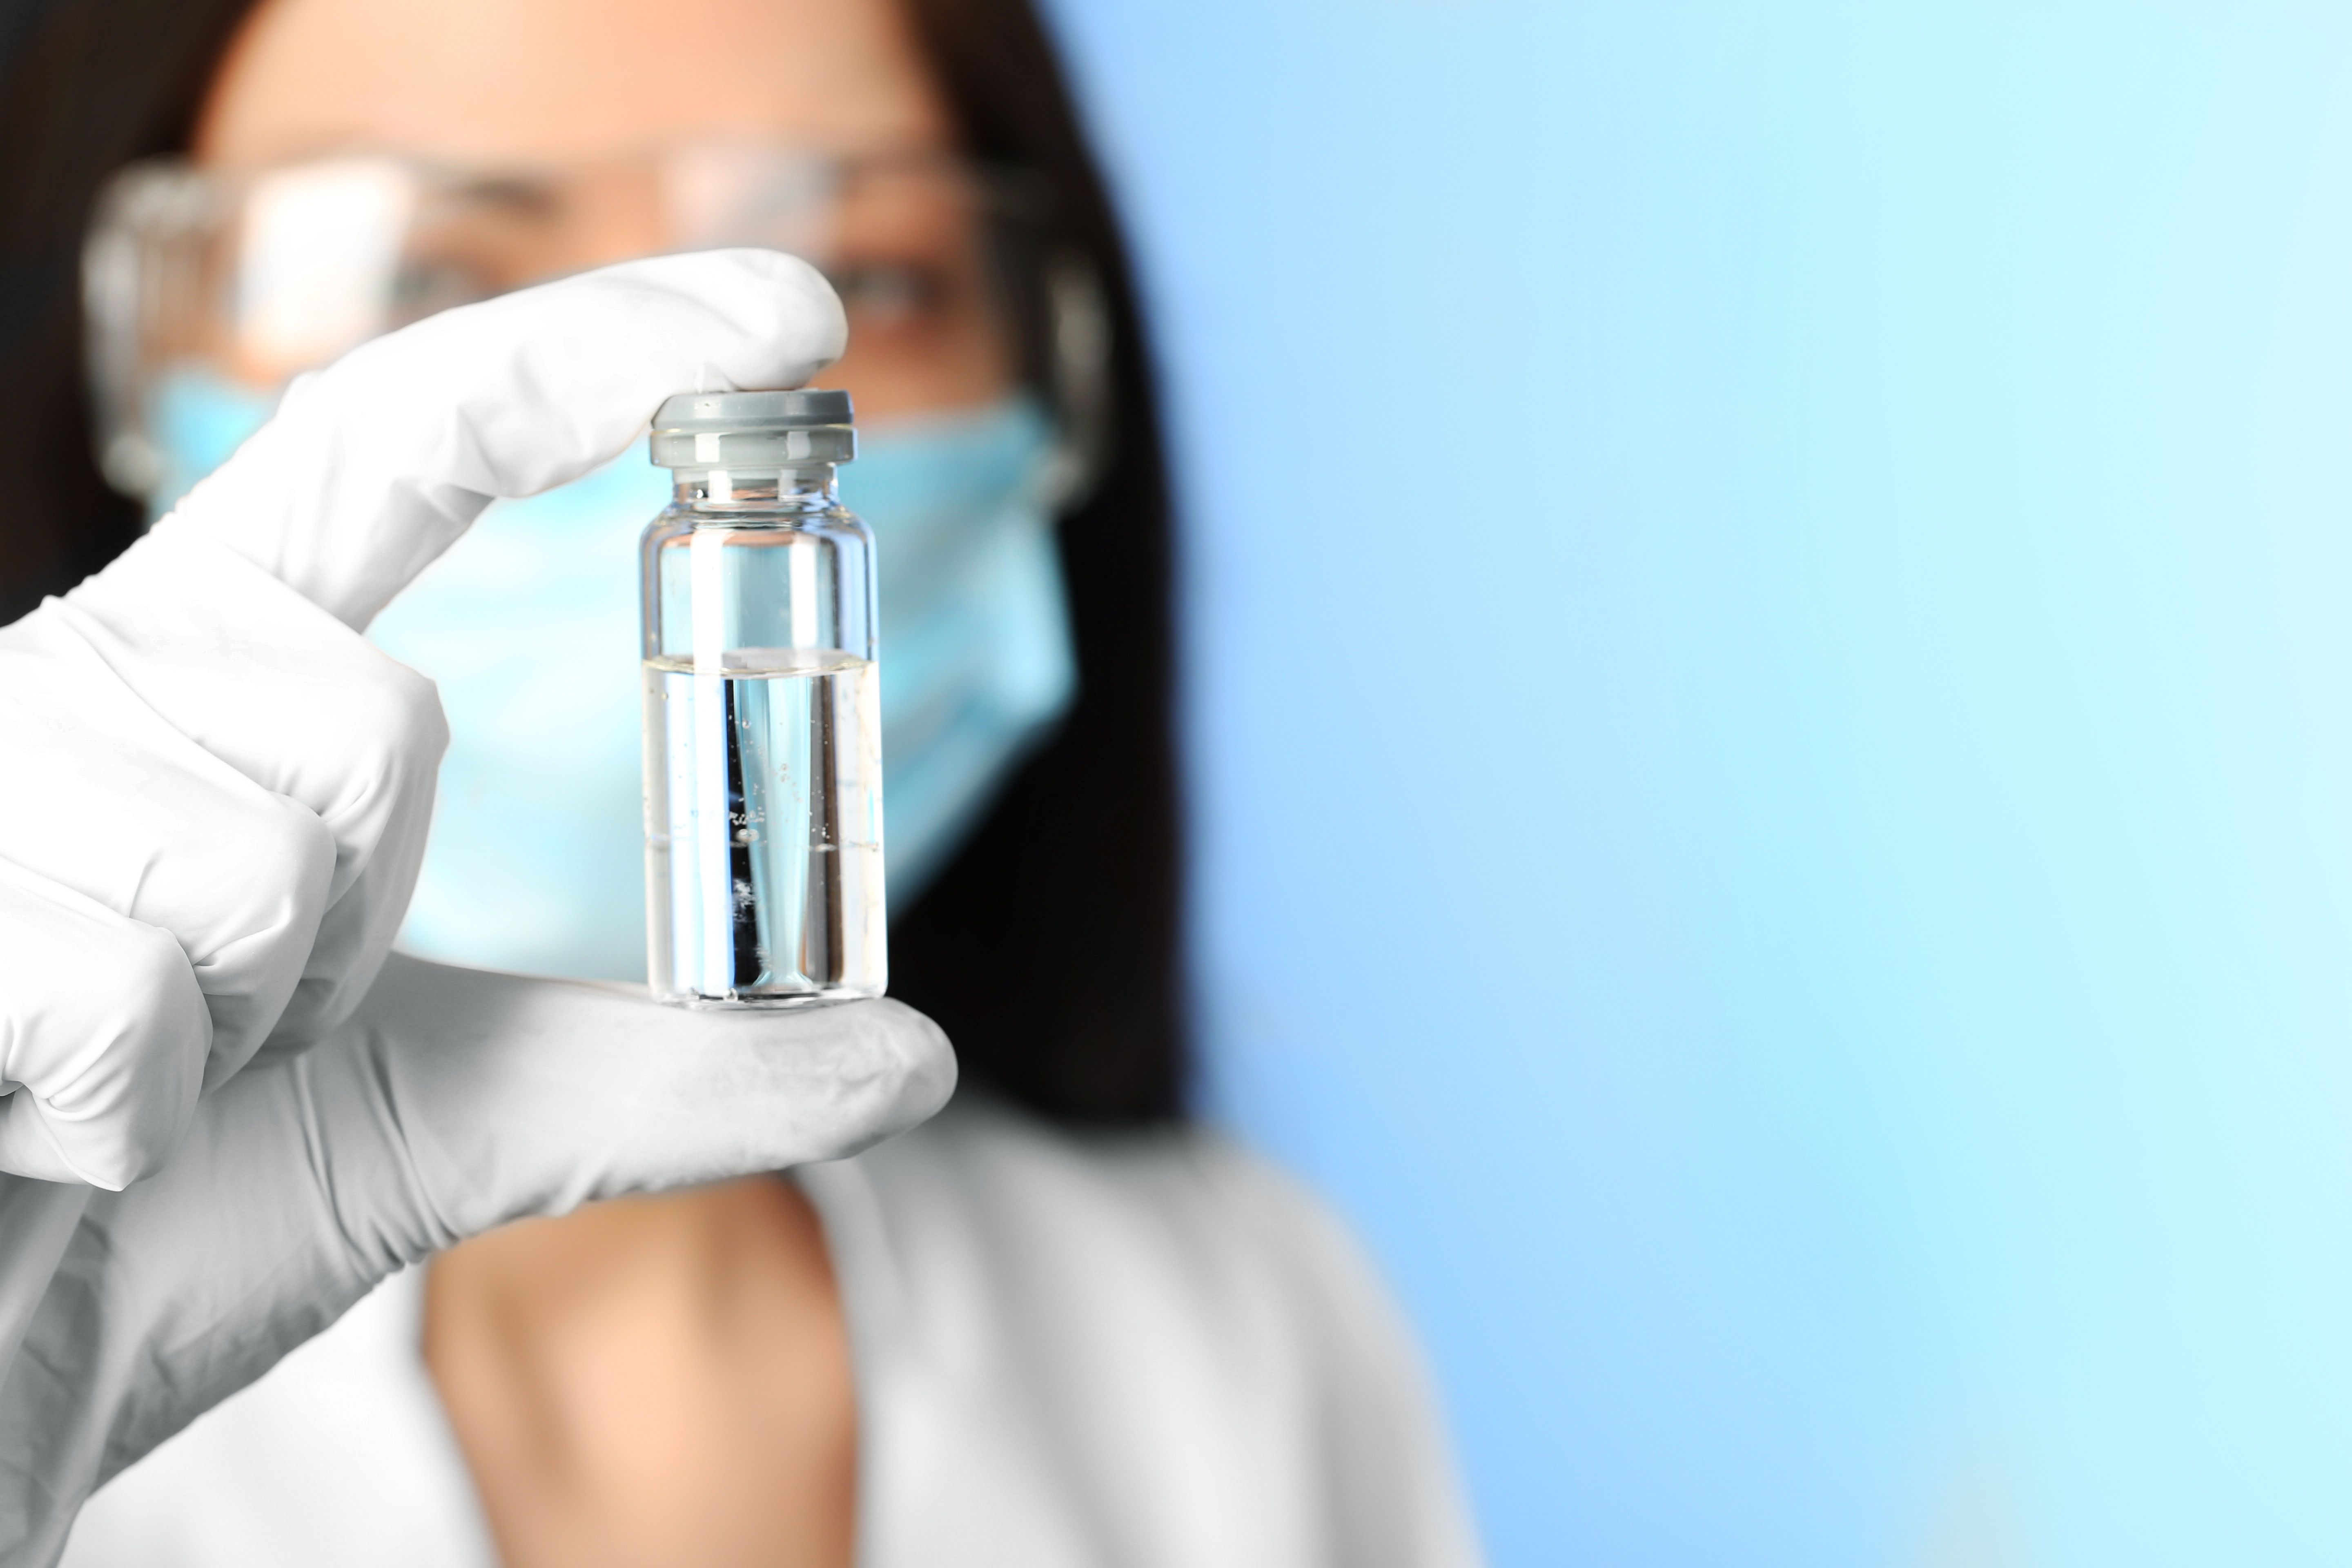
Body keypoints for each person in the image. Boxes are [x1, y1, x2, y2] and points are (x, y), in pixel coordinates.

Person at [0, 0, 1486, 1563]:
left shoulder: (1234, 1337)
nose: (645, 433)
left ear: (1063, 379)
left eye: (875, 273)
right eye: (420, 273)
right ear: (108, 366)